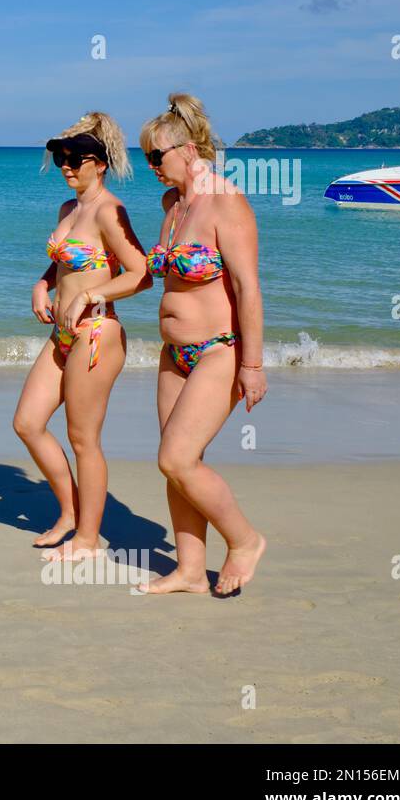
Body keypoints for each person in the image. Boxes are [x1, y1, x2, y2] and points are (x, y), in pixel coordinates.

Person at [137, 93, 268, 595]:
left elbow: (247, 287)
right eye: (147, 156)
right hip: (174, 355)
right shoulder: (173, 205)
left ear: (189, 150)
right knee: (176, 466)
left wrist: (252, 366)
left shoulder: (225, 202)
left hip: (219, 349)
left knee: (176, 458)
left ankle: (245, 540)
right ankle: (190, 570)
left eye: (157, 156)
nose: (151, 166)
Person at [13, 112, 151, 562]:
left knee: (83, 440)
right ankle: (70, 515)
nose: (67, 167)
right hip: (61, 335)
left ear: (101, 162)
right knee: (28, 423)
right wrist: (41, 284)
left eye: (75, 158)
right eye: (60, 159)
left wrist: (91, 293)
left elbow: (142, 274)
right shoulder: (69, 210)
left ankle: (88, 539)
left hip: (97, 334)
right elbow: (66, 265)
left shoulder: (111, 211)